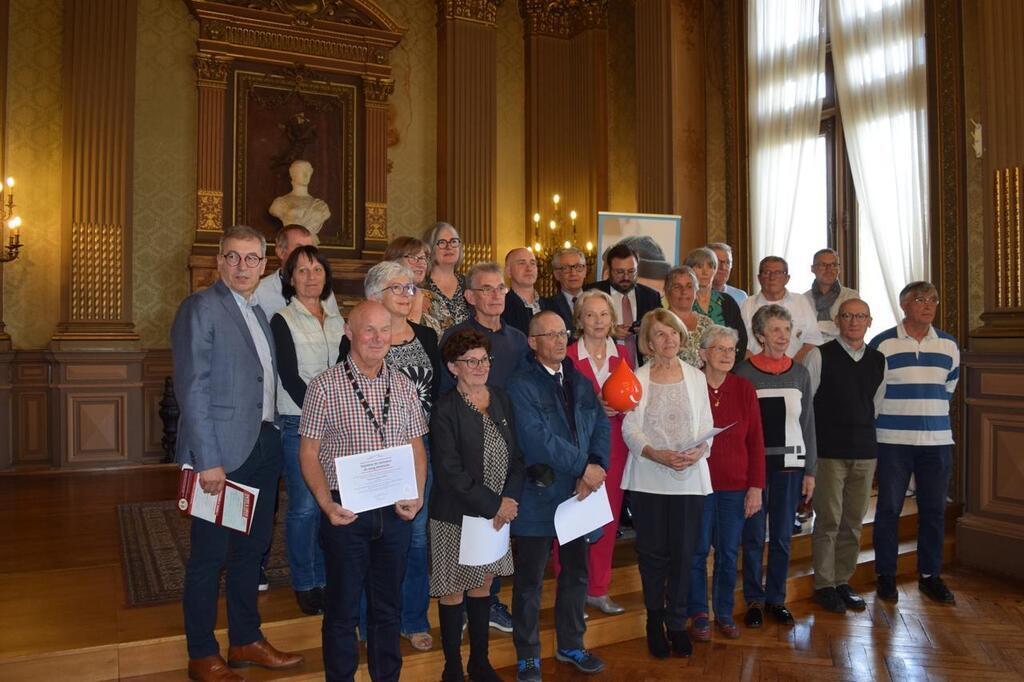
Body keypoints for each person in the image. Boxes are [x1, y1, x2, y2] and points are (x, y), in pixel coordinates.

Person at [171, 224, 303, 681]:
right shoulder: (201, 308)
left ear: (265, 264)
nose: (242, 266)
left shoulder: (259, 312)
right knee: (211, 556)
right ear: (219, 261)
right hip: (222, 453)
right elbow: (193, 388)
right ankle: (202, 652)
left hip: (263, 443)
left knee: (253, 550)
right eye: (233, 257)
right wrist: (207, 459)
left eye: (251, 258)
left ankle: (246, 637)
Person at [298, 301, 429, 682]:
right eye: (367, 330)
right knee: (342, 610)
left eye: (383, 330)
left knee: (388, 607)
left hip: (396, 510)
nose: (376, 338)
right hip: (346, 512)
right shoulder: (325, 385)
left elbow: (417, 448)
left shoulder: (403, 385)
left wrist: (417, 495)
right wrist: (325, 504)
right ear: (349, 333)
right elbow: (308, 452)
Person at [507, 311, 611, 681]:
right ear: (533, 342)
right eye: (548, 335)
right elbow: (537, 438)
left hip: (579, 495)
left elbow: (600, 423)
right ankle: (529, 656)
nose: (557, 341)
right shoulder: (520, 384)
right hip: (539, 495)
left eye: (561, 333)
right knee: (530, 582)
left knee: (576, 575)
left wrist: (596, 465)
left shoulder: (579, 381)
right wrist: (585, 465)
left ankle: (571, 644)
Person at [350, 261, 442, 651]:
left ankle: (413, 617)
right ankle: (369, 623)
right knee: (372, 540)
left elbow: (437, 394)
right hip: (372, 459)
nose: (408, 293)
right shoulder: (356, 340)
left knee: (417, 540)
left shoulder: (426, 334)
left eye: (410, 288)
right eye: (398, 288)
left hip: (419, 452)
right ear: (374, 295)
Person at [430, 328, 525, 682]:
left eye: (484, 359)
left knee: (483, 588)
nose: (480, 366)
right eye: (471, 361)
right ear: (453, 367)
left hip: (496, 516)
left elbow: (517, 456)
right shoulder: (444, 410)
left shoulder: (501, 398)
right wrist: (495, 505)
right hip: (457, 516)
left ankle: (480, 662)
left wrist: (509, 501)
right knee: (453, 592)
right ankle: (452, 666)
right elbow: (450, 473)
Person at [621, 309, 714, 660]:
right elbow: (629, 428)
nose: (669, 340)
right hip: (648, 477)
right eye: (660, 334)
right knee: (652, 556)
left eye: (673, 333)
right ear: (648, 342)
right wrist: (656, 454)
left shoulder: (696, 377)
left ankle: (677, 622)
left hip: (689, 479)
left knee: (684, 554)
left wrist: (701, 449)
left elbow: (707, 423)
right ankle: (653, 621)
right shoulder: (637, 377)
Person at [870, 281, 960, 605]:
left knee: (934, 511)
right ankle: (886, 576)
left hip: (936, 441)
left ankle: (929, 576)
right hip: (893, 440)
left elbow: (949, 389)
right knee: (889, 509)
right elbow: (874, 394)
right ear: (904, 305)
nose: (928, 305)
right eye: (920, 299)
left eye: (933, 299)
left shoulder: (949, 345)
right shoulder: (882, 344)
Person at [269, 245, 345, 616]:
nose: (311, 276)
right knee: (303, 508)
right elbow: (289, 375)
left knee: (328, 502)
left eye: (317, 269)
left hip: (337, 425)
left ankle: (326, 578)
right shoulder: (282, 319)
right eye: (302, 270)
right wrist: (323, 412)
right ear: (290, 277)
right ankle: (305, 581)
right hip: (299, 422)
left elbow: (347, 368)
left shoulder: (337, 319)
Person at [734, 304, 817, 628]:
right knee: (753, 537)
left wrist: (810, 470)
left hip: (790, 466)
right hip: (753, 469)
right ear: (759, 335)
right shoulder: (743, 373)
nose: (783, 337)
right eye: (776, 330)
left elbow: (808, 422)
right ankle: (754, 600)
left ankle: (776, 599)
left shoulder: (800, 373)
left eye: (787, 329)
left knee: (782, 537)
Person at [803, 298, 884, 614]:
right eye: (848, 316)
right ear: (837, 320)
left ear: (869, 321)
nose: (854, 321)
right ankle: (825, 584)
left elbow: (875, 405)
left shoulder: (879, 360)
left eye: (860, 316)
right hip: (828, 452)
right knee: (829, 519)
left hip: (864, 451)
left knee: (853, 521)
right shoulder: (819, 356)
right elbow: (807, 407)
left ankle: (842, 580)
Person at [556, 290, 634, 615]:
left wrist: (623, 409)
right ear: (579, 320)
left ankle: (598, 589)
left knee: (608, 517)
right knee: (571, 519)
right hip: (574, 448)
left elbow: (635, 397)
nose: (598, 321)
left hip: (615, 446)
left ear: (612, 318)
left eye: (604, 314)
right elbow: (557, 404)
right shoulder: (568, 355)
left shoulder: (624, 355)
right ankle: (570, 592)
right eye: (590, 315)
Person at [687, 325, 765, 641]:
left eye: (731, 349)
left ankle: (723, 611)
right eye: (719, 349)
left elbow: (756, 441)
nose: (726, 355)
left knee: (729, 553)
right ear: (703, 354)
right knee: (696, 551)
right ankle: (698, 613)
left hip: (735, 487)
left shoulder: (744, 388)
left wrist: (756, 486)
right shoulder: (690, 386)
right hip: (697, 484)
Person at [439, 261, 530, 396]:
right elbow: (445, 390)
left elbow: (525, 388)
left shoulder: (518, 339)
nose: (496, 295)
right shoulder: (455, 336)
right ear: (470, 297)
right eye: (487, 289)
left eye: (500, 288)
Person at [587, 242, 663, 362]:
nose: (626, 277)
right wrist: (609, 331)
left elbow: (661, 329)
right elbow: (580, 329)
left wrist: (646, 329)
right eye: (620, 272)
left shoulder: (651, 296)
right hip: (601, 365)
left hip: (642, 368)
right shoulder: (591, 293)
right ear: (609, 271)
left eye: (631, 271)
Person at [740, 256, 823, 363]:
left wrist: (790, 367)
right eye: (766, 272)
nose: (772, 277)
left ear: (787, 278)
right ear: (759, 278)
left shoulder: (801, 301)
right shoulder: (746, 305)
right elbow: (740, 344)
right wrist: (759, 367)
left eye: (778, 273)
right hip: (755, 372)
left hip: (795, 371)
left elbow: (813, 340)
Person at [256, 224, 342, 320]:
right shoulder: (259, 292)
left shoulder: (322, 289)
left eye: (309, 249)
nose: (306, 256)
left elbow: (336, 327)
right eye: (299, 249)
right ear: (280, 252)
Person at [686, 247, 748, 359]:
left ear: (715, 270)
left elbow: (741, 339)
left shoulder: (727, 301)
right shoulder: (684, 300)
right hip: (691, 368)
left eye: (710, 266)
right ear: (689, 271)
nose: (705, 272)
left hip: (725, 365)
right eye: (699, 266)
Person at [383, 235, 442, 333]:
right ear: (394, 261)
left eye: (423, 258)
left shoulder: (434, 298)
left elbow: (449, 339)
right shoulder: (384, 296)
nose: (422, 263)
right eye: (413, 257)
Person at [423, 222, 471, 332]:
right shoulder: (420, 286)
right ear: (429, 248)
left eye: (453, 241)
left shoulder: (470, 283)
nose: (449, 247)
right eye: (442, 242)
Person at [804, 248, 859, 343]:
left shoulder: (851, 297)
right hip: (810, 352)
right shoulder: (803, 299)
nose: (829, 270)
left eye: (833, 265)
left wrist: (814, 327)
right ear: (812, 269)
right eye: (823, 265)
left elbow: (852, 329)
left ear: (839, 269)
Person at [664, 265, 715, 368]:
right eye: (677, 287)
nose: (684, 291)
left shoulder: (707, 324)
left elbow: (715, 359)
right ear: (667, 292)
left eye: (689, 286)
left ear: (696, 292)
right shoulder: (658, 323)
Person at [269, 160, 332, 234]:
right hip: (291, 240)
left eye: (308, 171)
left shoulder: (321, 206)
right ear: (292, 174)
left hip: (311, 242)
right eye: (301, 171)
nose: (306, 174)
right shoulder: (280, 203)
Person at [541, 247, 588, 330]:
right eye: (566, 268)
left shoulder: (598, 301)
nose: (573, 273)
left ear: (585, 271)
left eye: (578, 267)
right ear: (556, 274)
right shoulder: (547, 306)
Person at [503, 247, 542, 335]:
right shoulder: (502, 308)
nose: (529, 268)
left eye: (533, 263)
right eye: (522, 263)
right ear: (508, 271)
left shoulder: (551, 306)